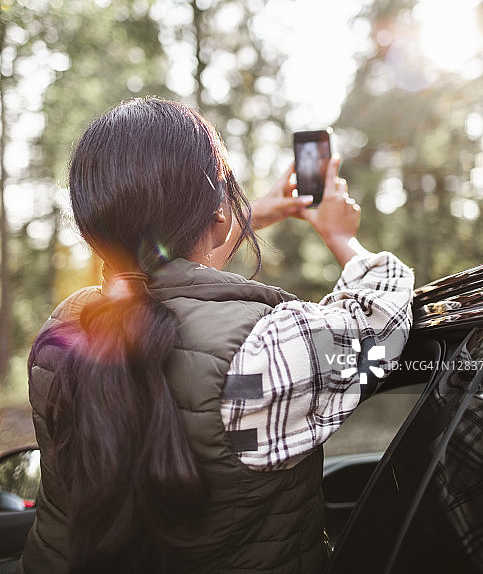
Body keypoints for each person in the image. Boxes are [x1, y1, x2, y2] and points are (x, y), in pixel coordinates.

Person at [18, 97, 414, 574]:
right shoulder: (266, 351)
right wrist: (339, 234)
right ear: (219, 214)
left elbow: (161, 281)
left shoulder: (65, 328)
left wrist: (243, 215)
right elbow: (383, 314)